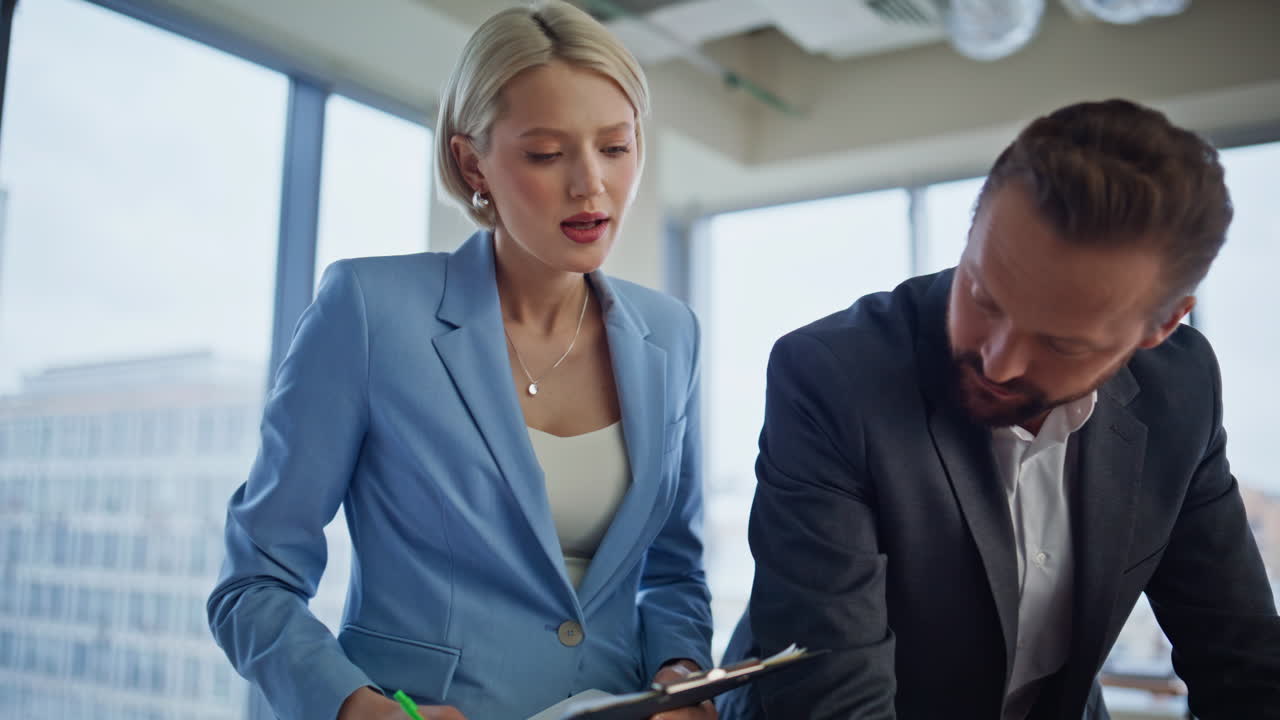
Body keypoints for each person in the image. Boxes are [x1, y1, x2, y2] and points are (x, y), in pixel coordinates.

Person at [207, 3, 715, 719]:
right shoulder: (369, 310)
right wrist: (357, 708)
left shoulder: (672, 334)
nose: (589, 184)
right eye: (546, 153)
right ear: (470, 160)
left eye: (616, 147)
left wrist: (682, 675)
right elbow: (253, 582)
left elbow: (673, 572)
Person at [718, 99, 1280, 719]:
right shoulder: (833, 377)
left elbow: (1241, 658)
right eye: (984, 295)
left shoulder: (1183, 387)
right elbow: (834, 697)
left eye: (1059, 342)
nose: (999, 362)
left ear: (1161, 326)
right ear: (972, 230)